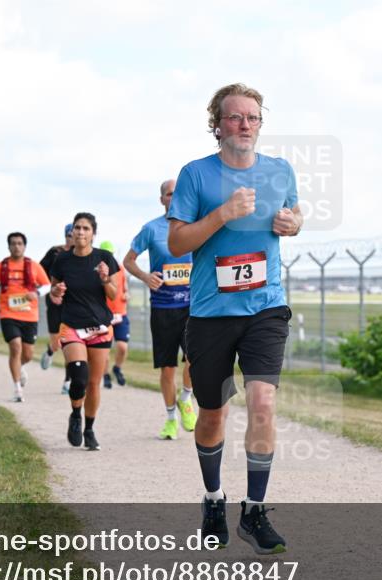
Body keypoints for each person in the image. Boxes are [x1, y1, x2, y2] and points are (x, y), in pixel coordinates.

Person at [167, 83, 302, 555]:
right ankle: (212, 499)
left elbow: (293, 211)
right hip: (210, 313)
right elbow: (178, 243)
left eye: (253, 117)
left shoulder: (280, 170)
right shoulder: (195, 175)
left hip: (266, 306)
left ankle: (255, 510)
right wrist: (222, 214)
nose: (245, 125)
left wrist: (294, 222)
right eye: (235, 117)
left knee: (262, 403)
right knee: (212, 414)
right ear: (216, 125)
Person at [124, 178, 198, 440]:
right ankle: (170, 419)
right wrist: (145, 277)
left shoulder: (195, 225)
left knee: (195, 360)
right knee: (167, 369)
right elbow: (128, 261)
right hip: (163, 307)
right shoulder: (151, 229)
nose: (174, 197)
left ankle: (186, 399)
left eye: (179, 193)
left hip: (192, 305)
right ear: (162, 199)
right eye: (169, 194)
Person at [49, 213, 119, 450]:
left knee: (93, 383)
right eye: (77, 228)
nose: (80, 232)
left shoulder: (104, 258)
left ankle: (89, 429)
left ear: (93, 233)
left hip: (99, 327)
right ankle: (75, 414)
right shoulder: (62, 260)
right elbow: (54, 291)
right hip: (72, 326)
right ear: (72, 233)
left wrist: (104, 278)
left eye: (85, 228)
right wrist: (56, 291)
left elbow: (113, 294)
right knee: (78, 376)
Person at [0, 232, 51, 402]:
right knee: (15, 346)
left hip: (29, 314)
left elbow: (47, 285)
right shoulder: (1, 266)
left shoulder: (33, 266)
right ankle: (17, 389)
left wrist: (36, 292)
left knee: (28, 354)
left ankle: (19, 367)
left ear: (24, 246)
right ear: (8, 246)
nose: (16, 246)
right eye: (13, 243)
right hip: (7, 313)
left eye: (20, 243)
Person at [39, 223, 74, 395]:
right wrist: (50, 289)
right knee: (57, 342)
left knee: (69, 342)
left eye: (73, 235)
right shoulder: (55, 252)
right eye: (69, 235)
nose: (71, 238)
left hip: (72, 304)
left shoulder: (81, 254)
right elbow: (39, 272)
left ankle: (67, 381)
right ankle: (50, 350)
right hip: (54, 302)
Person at [98, 241, 129, 390]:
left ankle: (117, 368)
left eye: (110, 254)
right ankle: (105, 375)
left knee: (122, 347)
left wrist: (127, 294)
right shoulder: (98, 271)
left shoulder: (120, 269)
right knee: (105, 350)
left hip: (121, 313)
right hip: (105, 315)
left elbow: (125, 286)